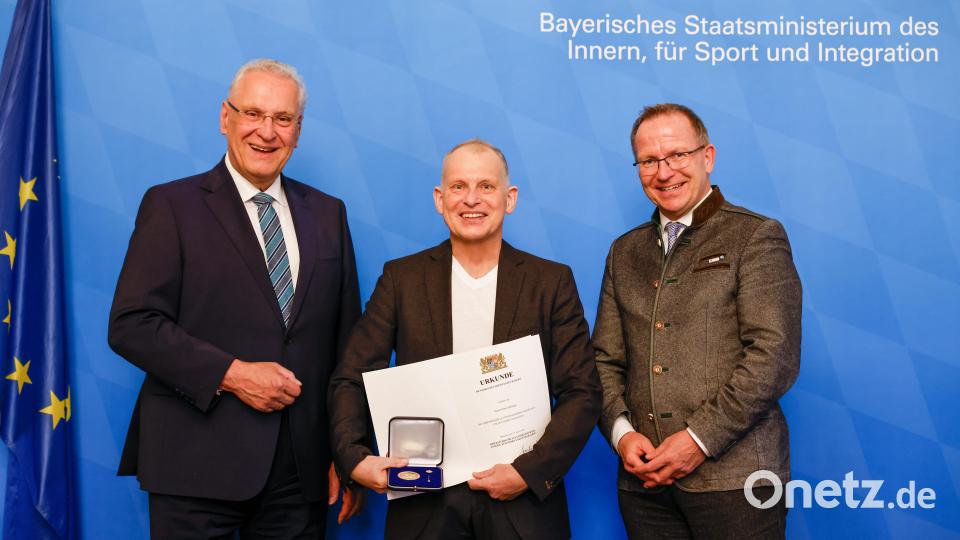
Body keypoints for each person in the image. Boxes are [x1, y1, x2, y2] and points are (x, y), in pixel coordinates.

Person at [108, 59, 362, 538]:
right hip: (195, 467)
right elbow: (132, 324)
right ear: (225, 118)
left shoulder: (329, 215)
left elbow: (347, 347)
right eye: (253, 114)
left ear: (298, 130)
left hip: (299, 475)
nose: (267, 132)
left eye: (282, 119)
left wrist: (345, 452)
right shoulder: (171, 206)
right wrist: (233, 375)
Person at [329, 139, 601, 540]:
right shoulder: (401, 280)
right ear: (440, 199)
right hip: (423, 502)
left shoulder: (550, 282)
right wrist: (355, 459)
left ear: (510, 199)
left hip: (522, 507)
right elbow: (351, 377)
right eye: (458, 187)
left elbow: (583, 392)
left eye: (486, 186)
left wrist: (527, 472)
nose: (471, 199)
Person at [593, 103, 801, 539]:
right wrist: (622, 435)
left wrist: (698, 439)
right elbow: (603, 361)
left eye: (677, 156)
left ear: (707, 157)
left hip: (736, 482)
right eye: (649, 161)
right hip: (644, 486)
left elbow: (773, 357)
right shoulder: (623, 252)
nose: (664, 172)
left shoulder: (756, 236)